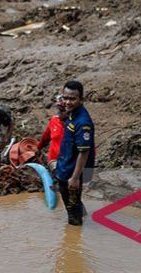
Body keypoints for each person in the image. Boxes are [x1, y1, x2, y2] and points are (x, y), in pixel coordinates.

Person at [55, 80, 96, 226]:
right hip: (66, 164)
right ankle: (82, 214)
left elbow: (84, 152)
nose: (68, 102)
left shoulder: (83, 122)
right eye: (65, 98)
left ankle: (75, 234)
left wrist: (75, 178)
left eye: (72, 99)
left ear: (81, 99)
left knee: (72, 211)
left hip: (73, 170)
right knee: (72, 200)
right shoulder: (71, 113)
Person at [35, 95, 65, 169]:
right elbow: (45, 137)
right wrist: (38, 148)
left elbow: (89, 153)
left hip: (70, 165)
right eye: (59, 110)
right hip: (54, 163)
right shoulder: (54, 121)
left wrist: (87, 178)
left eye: (62, 110)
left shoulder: (79, 125)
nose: (59, 113)